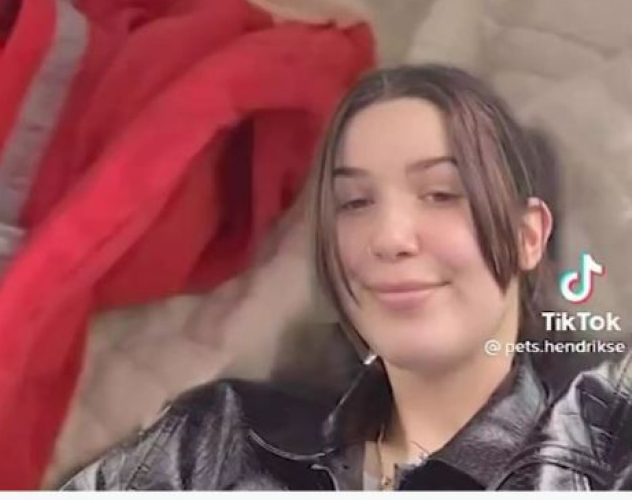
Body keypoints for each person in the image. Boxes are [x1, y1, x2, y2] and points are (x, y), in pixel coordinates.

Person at [61, 64, 632, 490]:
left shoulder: (605, 455)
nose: (389, 237)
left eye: (441, 193)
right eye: (356, 202)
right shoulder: (216, 437)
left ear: (529, 236)